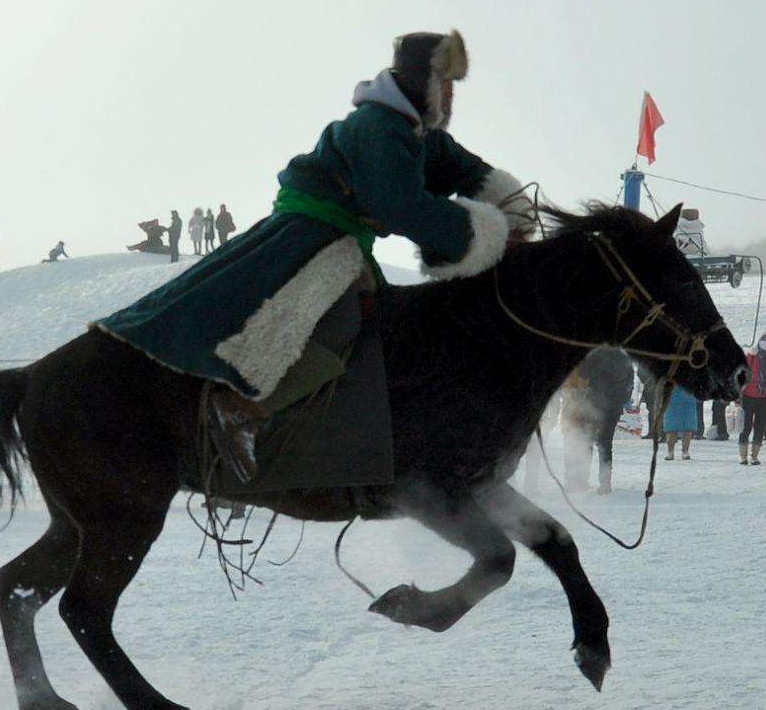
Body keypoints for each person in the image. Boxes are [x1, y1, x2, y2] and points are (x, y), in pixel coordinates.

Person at [95, 29, 528, 479]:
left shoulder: (419, 136)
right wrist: (480, 234)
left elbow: (466, 170)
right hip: (313, 238)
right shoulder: (378, 127)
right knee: (343, 322)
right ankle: (241, 407)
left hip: (344, 244)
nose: (451, 94)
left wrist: (512, 208)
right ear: (425, 82)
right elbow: (397, 205)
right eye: (446, 82)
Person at [559, 346, 634, 494]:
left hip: (594, 404)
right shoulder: (624, 357)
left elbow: (583, 375)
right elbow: (629, 384)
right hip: (613, 407)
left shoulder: (594, 356)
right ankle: (605, 483)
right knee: (605, 444)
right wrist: (620, 401)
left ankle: (580, 481)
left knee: (586, 442)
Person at [738, 330, 766, 466]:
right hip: (749, 396)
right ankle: (743, 456)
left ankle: (754, 456)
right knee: (746, 427)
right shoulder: (751, 355)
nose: (765, 343)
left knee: (760, 427)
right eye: (763, 340)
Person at [658, 369, 704, 459]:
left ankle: (685, 451)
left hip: (689, 398)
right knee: (671, 427)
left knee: (688, 426)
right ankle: (670, 452)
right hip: (672, 398)